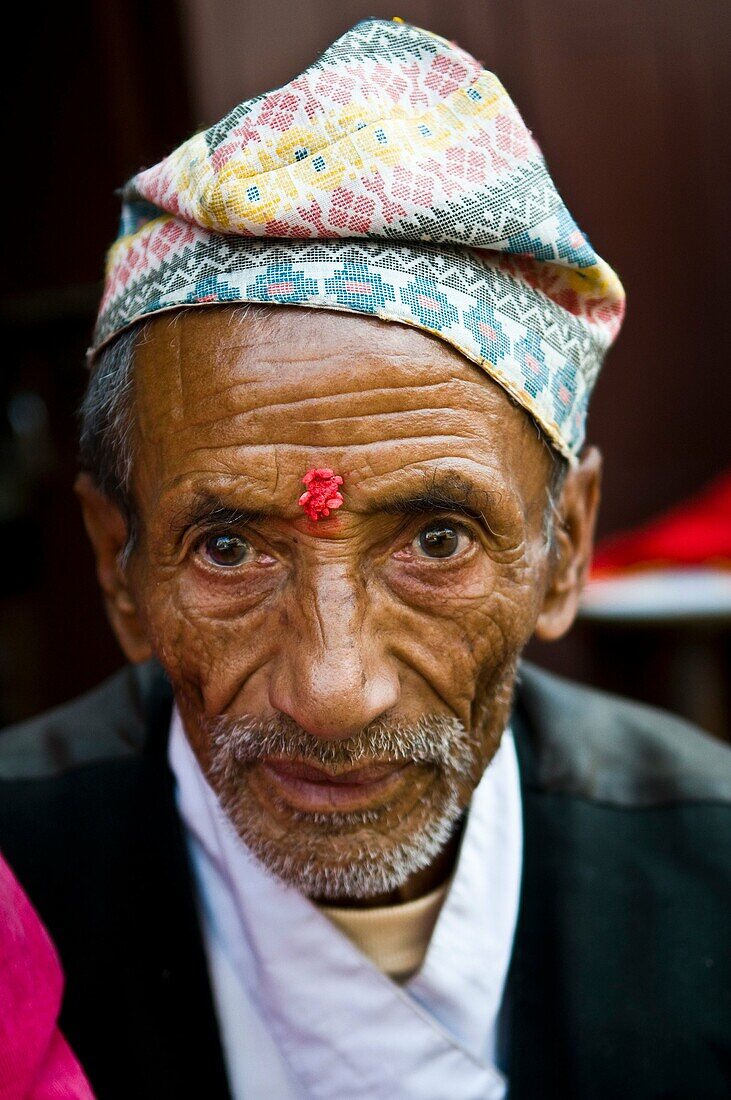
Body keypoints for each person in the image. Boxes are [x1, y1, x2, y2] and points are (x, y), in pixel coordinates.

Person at [0, 18, 729, 1099]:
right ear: (119, 567)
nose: (332, 690)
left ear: (564, 545)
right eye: (231, 547)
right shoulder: (17, 876)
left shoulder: (711, 869)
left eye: (437, 540)